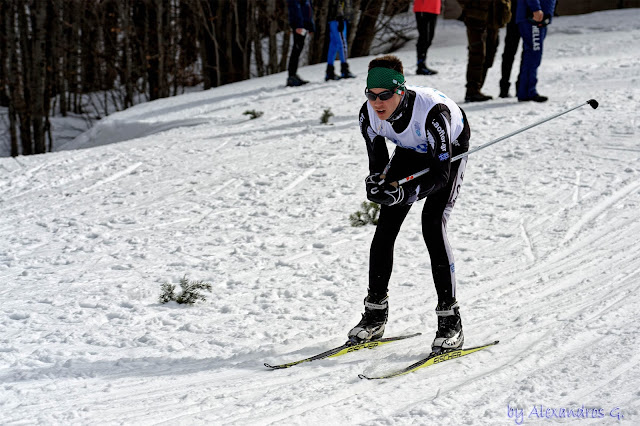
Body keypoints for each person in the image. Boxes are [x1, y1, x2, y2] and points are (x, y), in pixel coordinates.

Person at [349, 55, 471, 354]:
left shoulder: (432, 112)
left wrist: (407, 193)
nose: (378, 103)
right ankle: (375, 314)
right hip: (410, 150)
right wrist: (377, 184)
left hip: (448, 152)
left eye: (385, 96)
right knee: (386, 227)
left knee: (432, 224)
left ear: (400, 91)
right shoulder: (368, 115)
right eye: (371, 95)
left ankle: (450, 319)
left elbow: (441, 176)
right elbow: (377, 165)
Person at [458, 0, 512, 102]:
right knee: (477, 53)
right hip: (476, 17)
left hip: (495, 17)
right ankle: (472, 90)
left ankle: (477, 88)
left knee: (489, 55)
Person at [516, 0, 557, 102]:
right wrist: (536, 8)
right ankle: (528, 91)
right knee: (534, 55)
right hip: (533, 17)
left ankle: (524, 91)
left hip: (538, 17)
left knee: (532, 54)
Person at [286, 0, 316, 87]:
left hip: (304, 24)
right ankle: (291, 76)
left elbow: (308, 9)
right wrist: (298, 25)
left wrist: (310, 26)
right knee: (296, 48)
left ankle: (293, 74)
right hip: (299, 25)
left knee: (299, 48)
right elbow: (295, 8)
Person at [325, 0, 356, 81]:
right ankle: (344, 69)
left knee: (334, 45)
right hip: (338, 19)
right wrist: (340, 16)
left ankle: (330, 71)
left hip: (335, 18)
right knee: (342, 43)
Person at [499, 0, 520, 98]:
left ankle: (520, 86)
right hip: (514, 16)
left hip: (525, 15)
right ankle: (504, 88)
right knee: (509, 54)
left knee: (510, 54)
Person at [414, 0, 441, 75]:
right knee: (424, 38)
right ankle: (421, 66)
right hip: (423, 8)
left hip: (434, 8)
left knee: (429, 39)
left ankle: (422, 64)